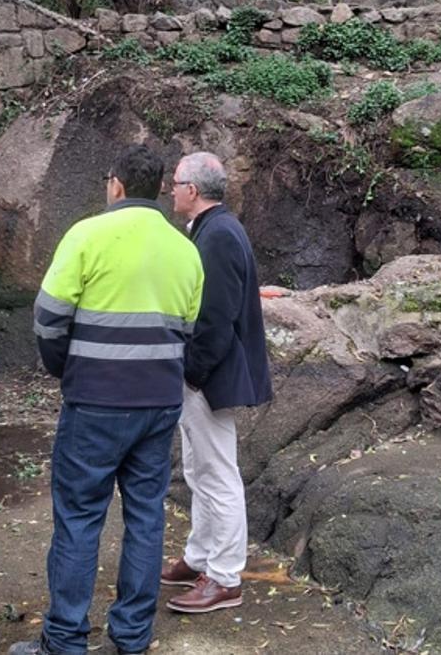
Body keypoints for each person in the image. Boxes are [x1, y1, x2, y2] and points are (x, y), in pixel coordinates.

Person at [10, 145, 204, 655]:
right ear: (159, 187)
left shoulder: (87, 235)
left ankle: (66, 639)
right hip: (159, 403)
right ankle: (133, 636)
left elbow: (48, 317)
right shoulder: (185, 249)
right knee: (146, 515)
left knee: (78, 517)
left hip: (95, 402)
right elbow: (187, 329)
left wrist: (63, 366)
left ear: (115, 183)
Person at [160, 152, 272, 614]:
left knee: (218, 472)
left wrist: (192, 373)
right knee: (199, 469)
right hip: (208, 373)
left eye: (176, 182)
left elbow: (215, 317)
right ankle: (200, 556)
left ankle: (225, 577)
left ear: (193, 190)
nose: (170, 189)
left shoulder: (219, 235)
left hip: (211, 375)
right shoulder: (213, 229)